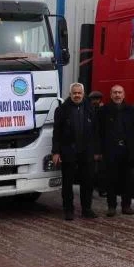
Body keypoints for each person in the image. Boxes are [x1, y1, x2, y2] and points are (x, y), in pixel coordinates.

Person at [52, 82, 99, 220]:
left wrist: (97, 151)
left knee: (88, 182)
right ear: (70, 94)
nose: (77, 95)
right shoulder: (61, 110)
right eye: (75, 93)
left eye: (79, 93)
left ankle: (86, 209)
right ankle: (68, 210)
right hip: (68, 151)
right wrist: (55, 152)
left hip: (87, 152)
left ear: (83, 94)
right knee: (67, 183)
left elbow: (96, 132)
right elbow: (57, 133)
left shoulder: (90, 109)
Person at [96, 85, 134, 216]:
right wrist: (99, 151)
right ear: (110, 94)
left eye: (120, 92)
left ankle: (126, 206)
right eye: (115, 92)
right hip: (110, 151)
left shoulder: (131, 110)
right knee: (111, 180)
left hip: (127, 150)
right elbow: (98, 132)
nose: (117, 95)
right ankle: (111, 206)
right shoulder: (103, 111)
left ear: (124, 94)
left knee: (128, 180)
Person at [88, 90, 107, 197]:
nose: (95, 101)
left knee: (102, 170)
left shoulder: (103, 110)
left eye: (97, 99)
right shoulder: (88, 110)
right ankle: (91, 189)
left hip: (101, 143)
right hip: (91, 144)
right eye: (93, 99)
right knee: (91, 170)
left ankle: (102, 189)